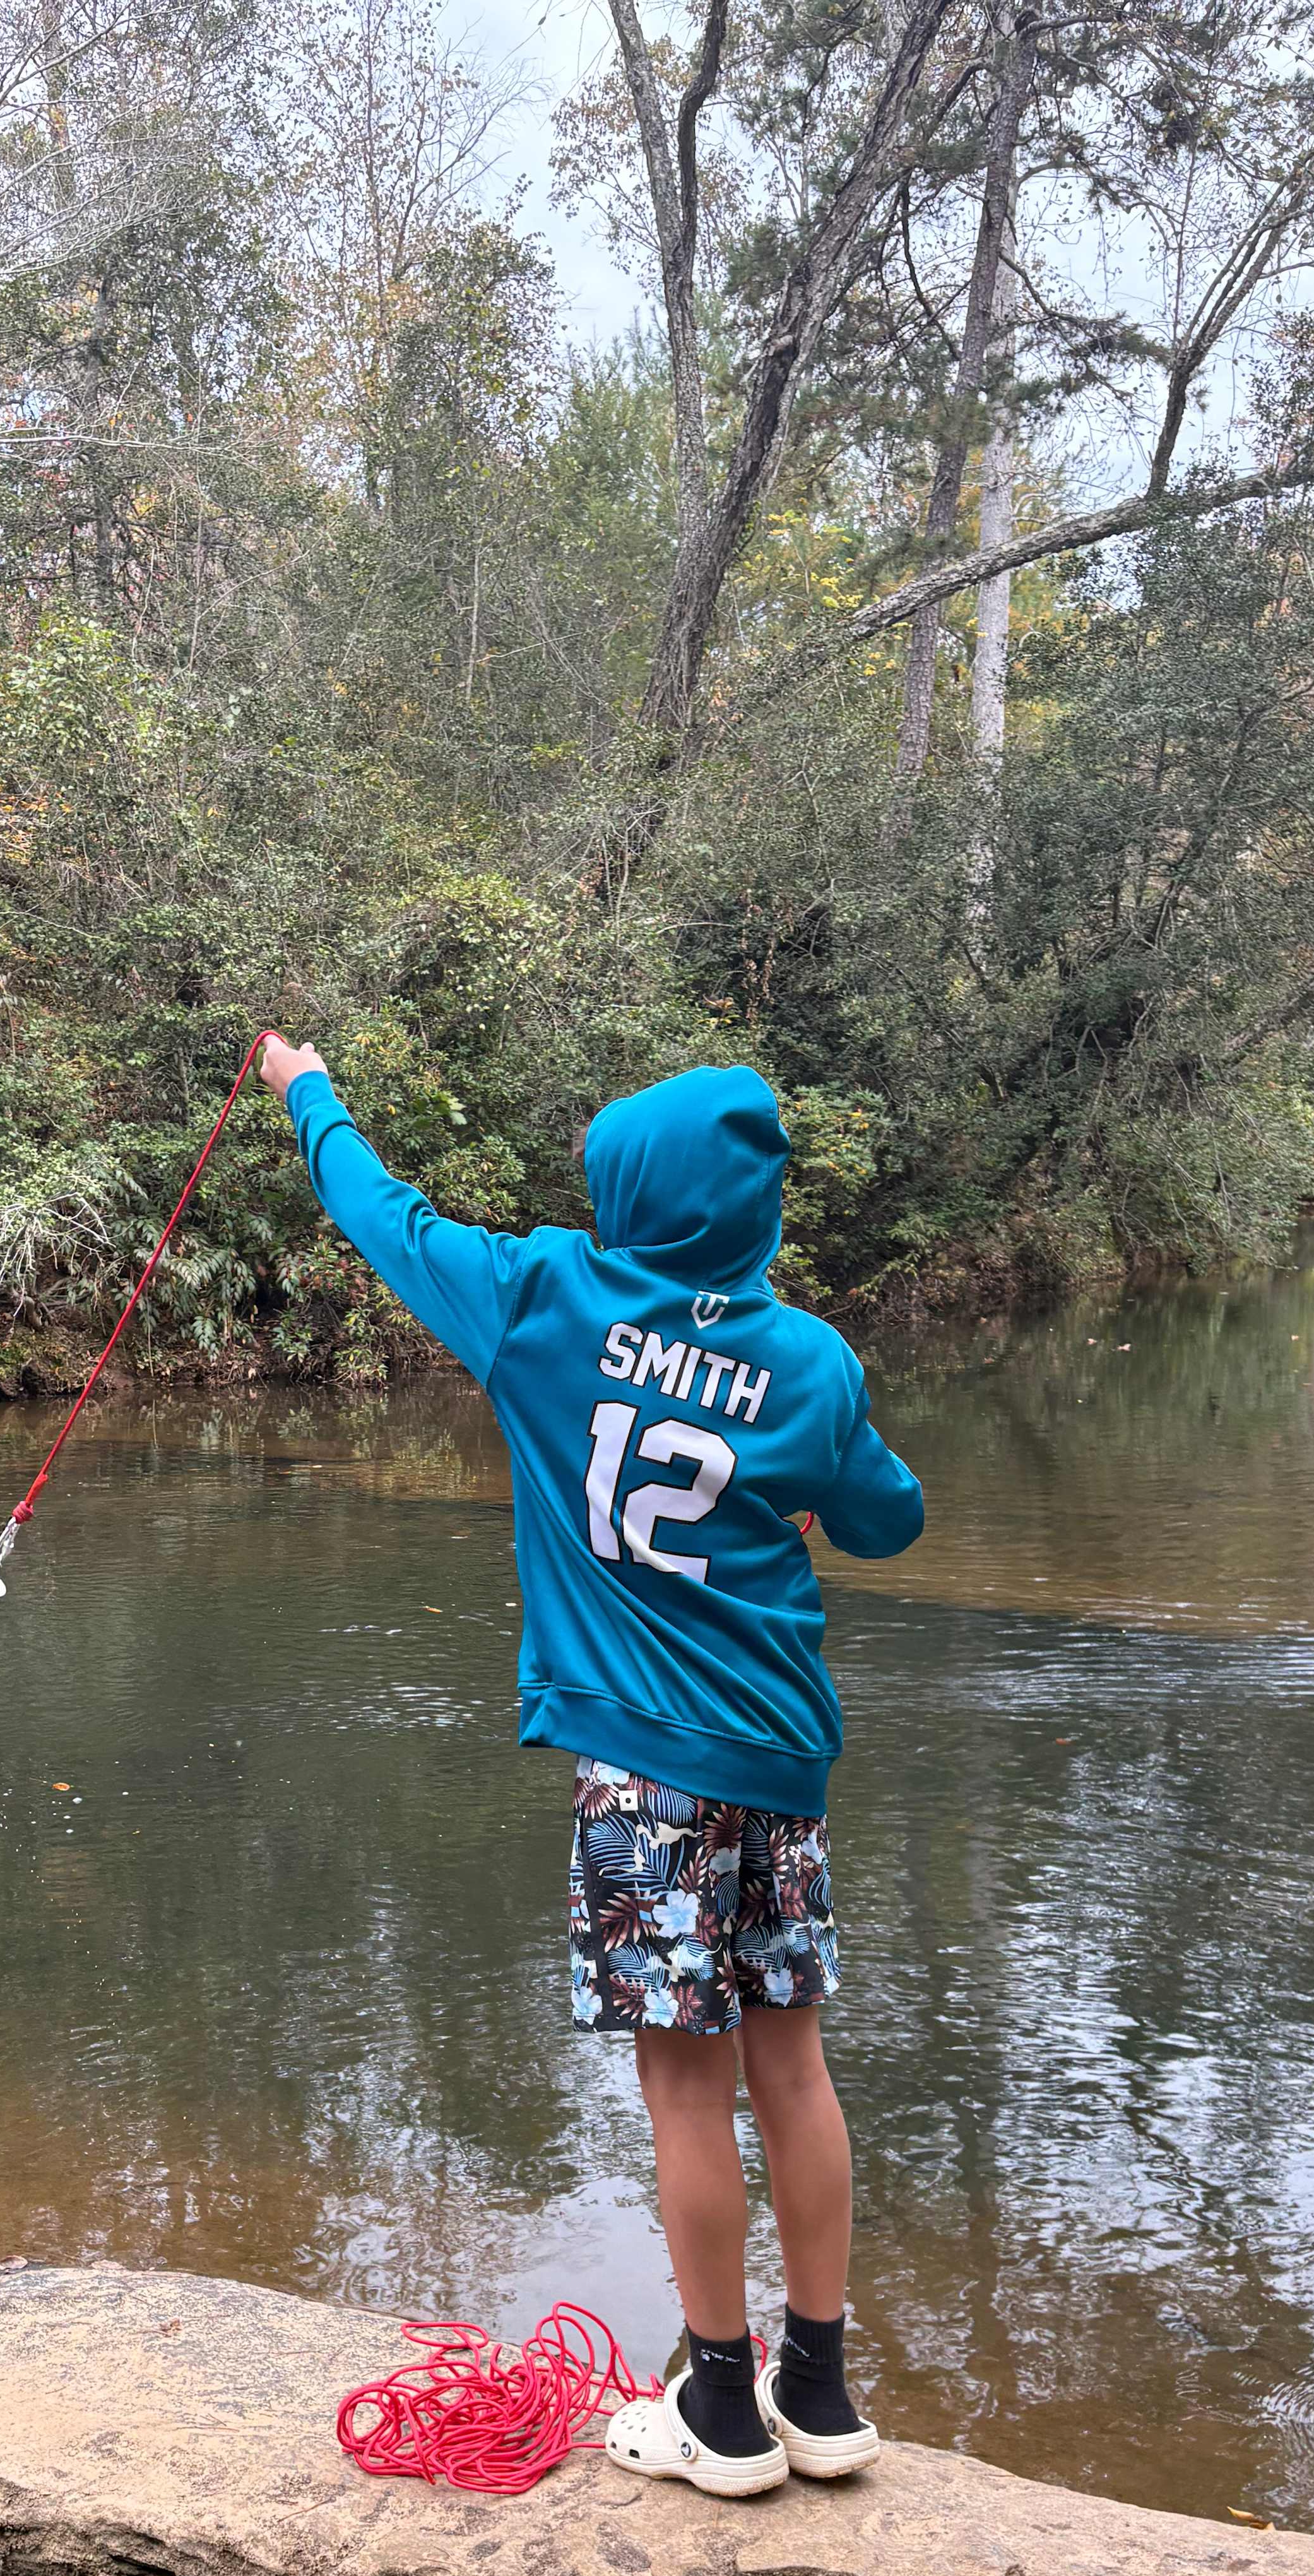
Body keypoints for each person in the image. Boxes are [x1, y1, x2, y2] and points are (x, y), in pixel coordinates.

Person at [259, 1037, 924, 2500]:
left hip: (639, 1780)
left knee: (684, 2093)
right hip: (782, 1765)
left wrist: (309, 1091)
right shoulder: (809, 1360)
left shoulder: (544, 1298)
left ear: (628, 1198)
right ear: (752, 1214)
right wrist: (795, 1492)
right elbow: (891, 1519)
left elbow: (387, 1218)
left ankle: (722, 2415)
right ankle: (820, 2390)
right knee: (792, 2070)